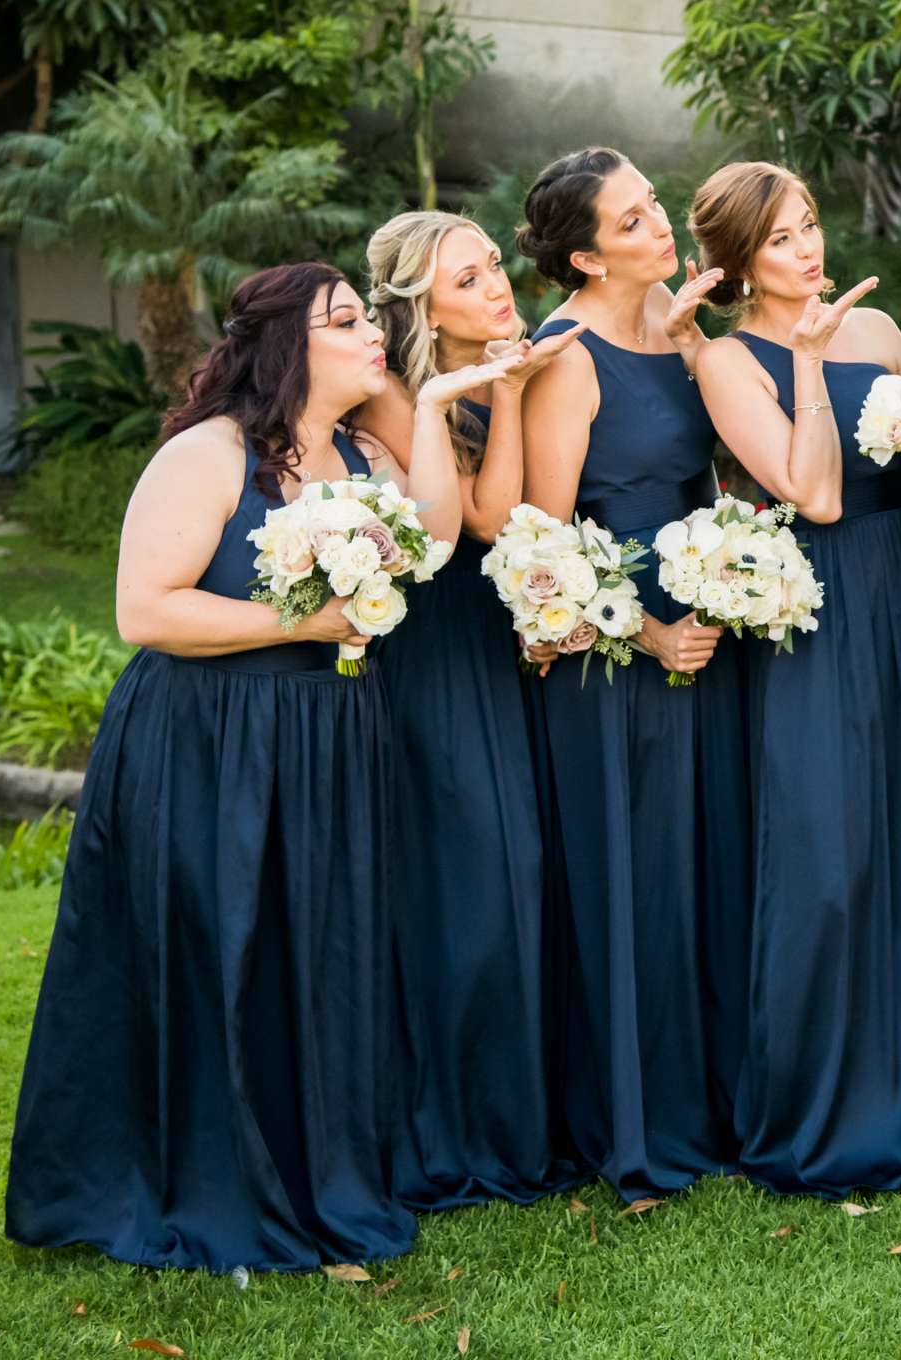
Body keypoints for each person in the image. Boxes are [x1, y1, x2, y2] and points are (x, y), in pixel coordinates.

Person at [6, 263, 500, 1270]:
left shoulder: (363, 451)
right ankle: (202, 1170)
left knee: (317, 949)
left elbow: (438, 539)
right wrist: (304, 616)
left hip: (331, 737)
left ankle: (317, 1162)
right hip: (209, 736)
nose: (374, 334)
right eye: (348, 319)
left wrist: (440, 403)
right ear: (287, 345)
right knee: (214, 946)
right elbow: (144, 609)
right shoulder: (211, 455)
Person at [686, 161, 901, 1196]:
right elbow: (812, 493)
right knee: (829, 855)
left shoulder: (881, 331)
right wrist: (810, 365)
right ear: (737, 263)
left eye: (811, 224)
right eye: (779, 239)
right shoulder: (728, 360)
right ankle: (829, 1104)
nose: (808, 249)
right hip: (809, 613)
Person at [517, 148, 749, 1199]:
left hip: (706, 626)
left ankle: (708, 1104)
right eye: (632, 220)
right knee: (632, 880)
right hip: (612, 657)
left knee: (701, 871)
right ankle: (632, 1131)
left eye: (656, 204)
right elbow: (543, 535)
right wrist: (645, 634)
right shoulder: (564, 354)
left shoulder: (671, 325)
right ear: (582, 254)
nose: (660, 225)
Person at [361, 211, 582, 1207]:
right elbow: (470, 528)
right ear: (421, 303)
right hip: (422, 648)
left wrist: (509, 385)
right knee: (459, 878)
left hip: (491, 640)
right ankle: (438, 1126)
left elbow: (513, 520)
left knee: (515, 870)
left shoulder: (501, 369)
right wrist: (501, 384)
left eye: (495, 264)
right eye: (469, 278)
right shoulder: (388, 393)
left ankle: (512, 1115)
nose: (498, 285)